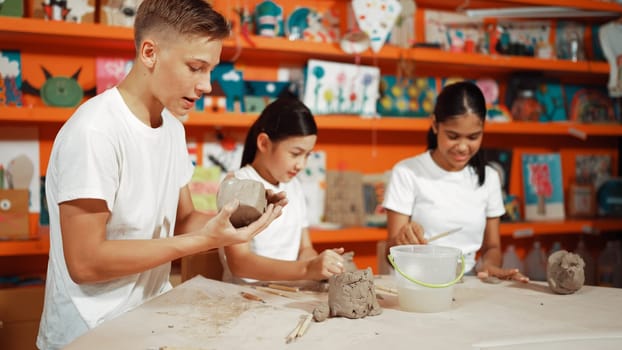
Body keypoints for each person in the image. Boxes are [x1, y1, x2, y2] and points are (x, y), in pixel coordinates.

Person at [36, 1, 286, 349]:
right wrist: (204, 242)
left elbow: (182, 220)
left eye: (210, 70)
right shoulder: (94, 131)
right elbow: (85, 262)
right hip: (90, 332)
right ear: (149, 52)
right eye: (195, 67)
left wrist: (240, 219)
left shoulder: (171, 128)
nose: (207, 86)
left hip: (147, 320)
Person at [382, 81, 528, 282]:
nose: (462, 147)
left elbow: (492, 247)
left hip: (469, 284)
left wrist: (488, 265)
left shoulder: (490, 178)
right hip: (419, 283)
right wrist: (401, 242)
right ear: (435, 125)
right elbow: (390, 257)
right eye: (453, 136)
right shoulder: (407, 172)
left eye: (473, 137)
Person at [220, 96, 346, 283]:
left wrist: (318, 263)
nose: (301, 164)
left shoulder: (294, 185)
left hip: (288, 293)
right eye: (295, 154)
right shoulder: (238, 184)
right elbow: (240, 263)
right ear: (263, 143)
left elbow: (305, 248)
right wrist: (306, 269)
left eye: (307, 155)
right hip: (245, 298)